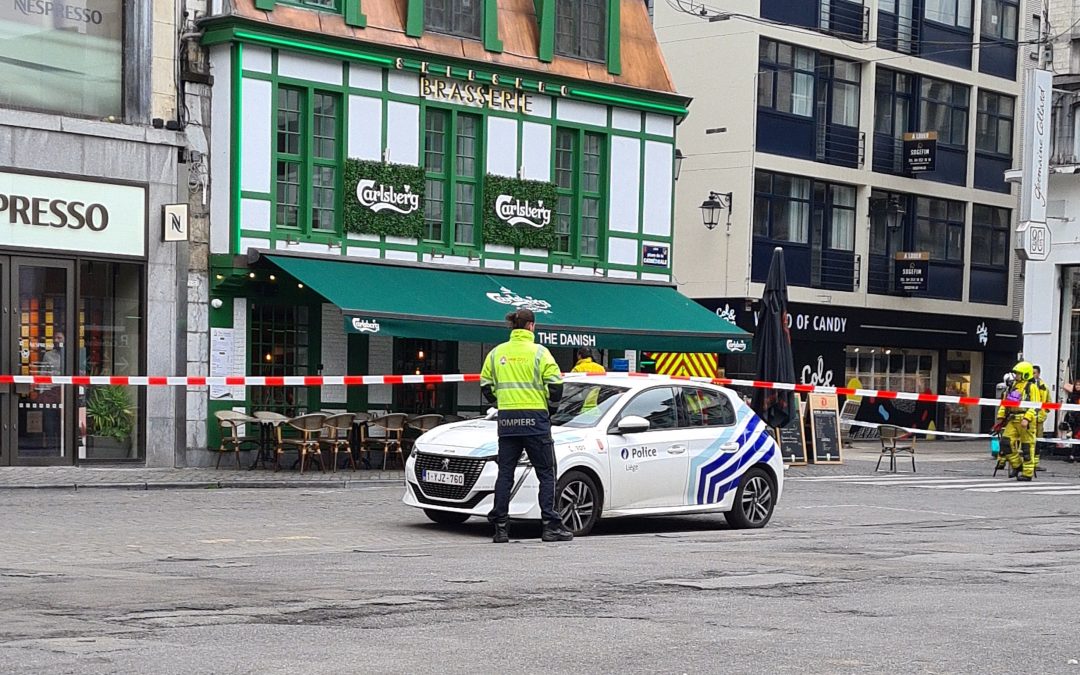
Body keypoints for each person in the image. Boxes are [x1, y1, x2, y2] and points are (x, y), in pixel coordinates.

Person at [480, 308, 573, 544]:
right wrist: (549, 410)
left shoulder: (496, 353)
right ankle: (550, 526)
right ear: (531, 326)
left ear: (513, 326)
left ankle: (500, 528)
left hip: (508, 420)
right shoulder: (540, 353)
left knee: (505, 473)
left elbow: (485, 385)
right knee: (546, 473)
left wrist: (501, 404)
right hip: (535, 420)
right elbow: (555, 386)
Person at [993, 361, 1039, 481]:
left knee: (1027, 447)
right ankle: (1018, 465)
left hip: (1025, 421)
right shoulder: (1012, 386)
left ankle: (1027, 473)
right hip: (1012, 419)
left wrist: (1027, 419)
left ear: (1025, 374)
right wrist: (1001, 416)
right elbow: (1005, 403)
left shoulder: (1031, 387)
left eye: (1018, 373)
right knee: (1005, 443)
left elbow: (1034, 405)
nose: (1016, 375)